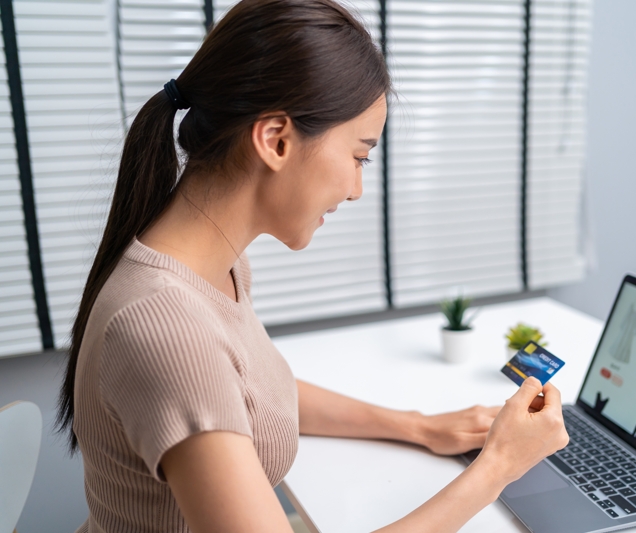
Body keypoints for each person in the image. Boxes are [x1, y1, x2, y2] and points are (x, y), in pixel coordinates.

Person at [57, 1, 569, 532]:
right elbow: (201, 375)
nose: (356, 190)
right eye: (358, 156)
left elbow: (243, 391)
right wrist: (500, 468)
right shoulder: (165, 324)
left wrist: (417, 427)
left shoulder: (211, 267)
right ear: (276, 139)